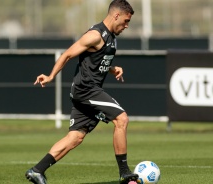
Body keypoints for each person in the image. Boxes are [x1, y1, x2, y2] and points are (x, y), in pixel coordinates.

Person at [25, 0, 138, 183]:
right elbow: (68, 54)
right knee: (122, 119)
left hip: (85, 92)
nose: (126, 25)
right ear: (116, 15)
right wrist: (51, 76)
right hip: (86, 90)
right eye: (126, 21)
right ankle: (125, 172)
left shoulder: (111, 36)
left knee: (75, 137)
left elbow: (95, 60)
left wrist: (112, 69)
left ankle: (37, 170)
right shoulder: (95, 35)